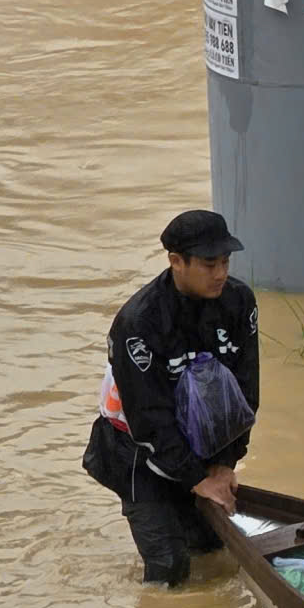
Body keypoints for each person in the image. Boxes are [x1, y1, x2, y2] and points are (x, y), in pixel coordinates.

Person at [83, 210, 262, 586]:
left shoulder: (239, 302)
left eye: (226, 262)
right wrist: (197, 479)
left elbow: (244, 391)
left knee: (213, 549)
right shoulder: (139, 323)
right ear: (176, 262)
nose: (220, 274)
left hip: (200, 444)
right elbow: (149, 421)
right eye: (209, 264)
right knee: (169, 568)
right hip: (135, 449)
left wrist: (226, 463)